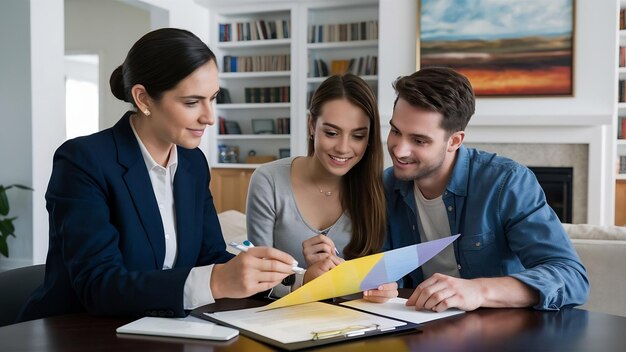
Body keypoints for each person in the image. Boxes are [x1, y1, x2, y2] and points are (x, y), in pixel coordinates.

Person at [17, 28, 297, 322]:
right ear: (143, 99)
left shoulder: (193, 162)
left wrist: (286, 281)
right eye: (192, 102)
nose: (209, 117)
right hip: (76, 332)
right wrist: (216, 281)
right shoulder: (83, 161)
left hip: (163, 329)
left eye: (212, 98)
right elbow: (98, 285)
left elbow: (210, 256)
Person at [384, 67, 589, 312]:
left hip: (503, 333)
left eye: (419, 140)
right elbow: (380, 271)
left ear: (455, 141)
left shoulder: (507, 183)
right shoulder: (387, 186)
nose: (399, 150)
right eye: (396, 131)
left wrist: (478, 290)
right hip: (420, 328)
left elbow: (572, 278)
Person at [246, 74, 396, 301]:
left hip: (356, 325)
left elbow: (380, 277)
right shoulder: (269, 180)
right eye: (332, 133)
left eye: (358, 136)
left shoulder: (378, 189)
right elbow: (256, 279)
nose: (343, 148)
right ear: (311, 126)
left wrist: (383, 289)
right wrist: (304, 280)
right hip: (281, 323)